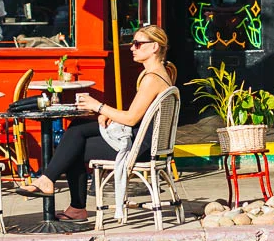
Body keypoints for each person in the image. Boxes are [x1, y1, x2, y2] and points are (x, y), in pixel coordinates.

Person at [15, 24, 178, 221]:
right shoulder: (160, 74)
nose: (132, 48)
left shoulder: (152, 79)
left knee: (73, 147)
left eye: (137, 44)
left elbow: (131, 118)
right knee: (77, 128)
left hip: (139, 147)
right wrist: (108, 113)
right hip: (145, 141)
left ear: (154, 47)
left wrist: (99, 106)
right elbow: (137, 116)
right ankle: (52, 184)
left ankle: (62, 195)